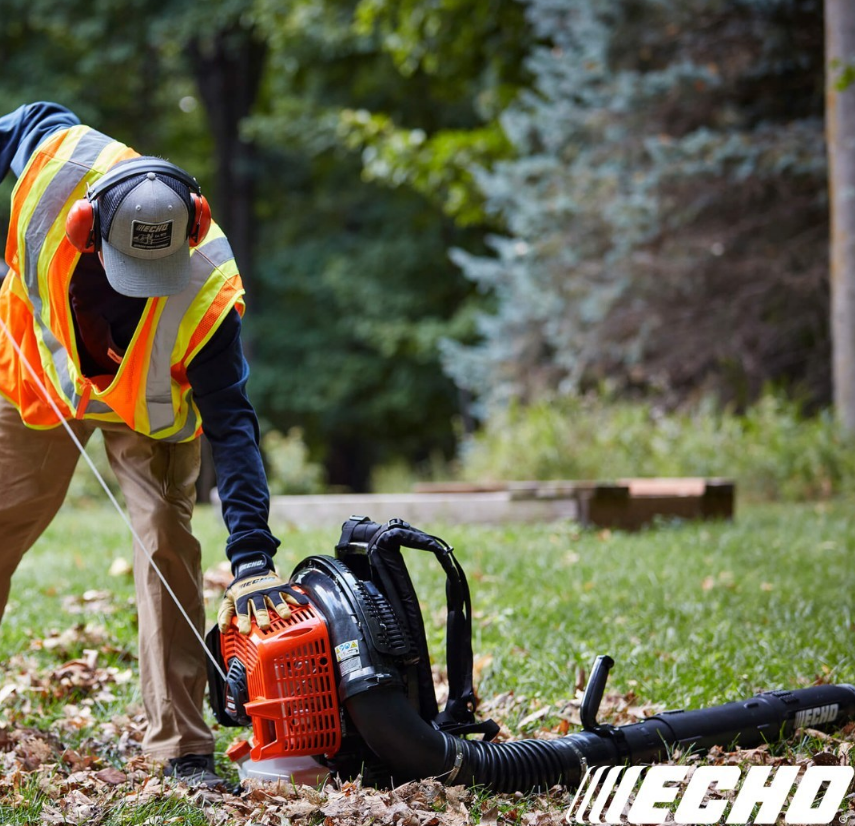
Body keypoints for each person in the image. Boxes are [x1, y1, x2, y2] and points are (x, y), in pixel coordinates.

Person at [0, 102, 306, 788]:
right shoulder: (58, 168)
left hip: (148, 413)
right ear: (86, 230)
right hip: (40, 381)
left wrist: (253, 555)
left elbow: (233, 424)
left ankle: (183, 750)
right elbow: (21, 124)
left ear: (189, 230)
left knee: (167, 550)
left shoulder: (208, 292)